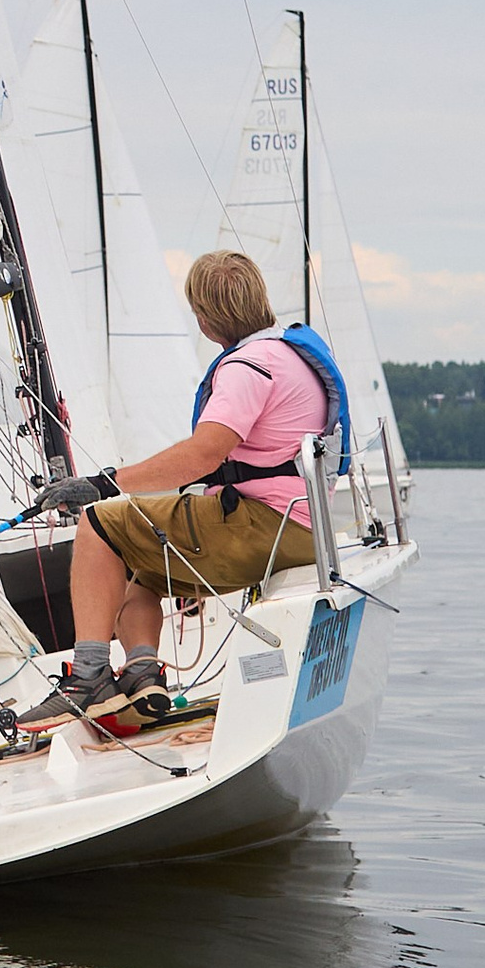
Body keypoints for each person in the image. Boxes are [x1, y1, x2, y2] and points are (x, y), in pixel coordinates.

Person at [64, 252, 333, 715]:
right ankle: (143, 674)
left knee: (98, 524)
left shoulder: (247, 367)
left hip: (263, 528)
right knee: (139, 568)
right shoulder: (292, 354)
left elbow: (205, 452)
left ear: (206, 321)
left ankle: (87, 677)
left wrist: (106, 483)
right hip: (308, 528)